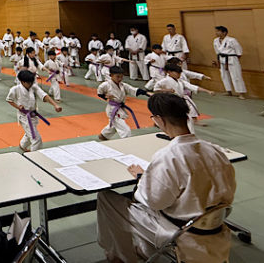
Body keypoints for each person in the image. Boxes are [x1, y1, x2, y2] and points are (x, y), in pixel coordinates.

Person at [97, 93, 236, 263]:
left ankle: (121, 257)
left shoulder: (169, 156)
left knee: (107, 199)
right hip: (213, 224)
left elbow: (154, 202)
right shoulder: (215, 151)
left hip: (179, 231)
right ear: (186, 117)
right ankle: (144, 249)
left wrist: (142, 178)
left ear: (158, 120)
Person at [6, 70, 62, 152]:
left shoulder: (33, 87)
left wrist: (55, 105)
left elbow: (44, 96)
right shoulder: (15, 89)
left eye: (31, 82)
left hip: (33, 115)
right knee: (36, 139)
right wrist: (18, 107)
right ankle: (33, 156)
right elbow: (9, 100)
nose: (30, 84)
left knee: (29, 133)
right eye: (28, 83)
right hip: (24, 117)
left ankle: (22, 145)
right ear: (22, 81)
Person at [155, 63, 214, 133]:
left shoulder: (180, 81)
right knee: (173, 119)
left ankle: (190, 133)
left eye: (180, 73)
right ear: (169, 72)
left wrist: (207, 91)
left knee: (187, 118)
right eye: (177, 73)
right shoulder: (164, 81)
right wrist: (167, 90)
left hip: (180, 101)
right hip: (171, 102)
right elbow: (156, 89)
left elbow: (192, 87)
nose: (179, 75)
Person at [96, 66, 149, 140]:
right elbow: (99, 93)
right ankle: (127, 140)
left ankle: (104, 135)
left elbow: (134, 90)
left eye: (121, 77)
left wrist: (147, 93)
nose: (120, 79)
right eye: (117, 77)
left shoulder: (123, 85)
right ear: (111, 75)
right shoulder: (105, 85)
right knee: (125, 129)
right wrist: (105, 96)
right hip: (113, 109)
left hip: (120, 107)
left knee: (114, 124)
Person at [213, 25, 246, 99]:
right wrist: (218, 61)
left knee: (236, 76)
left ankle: (241, 93)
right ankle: (228, 91)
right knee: (224, 76)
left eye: (218, 31)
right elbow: (217, 52)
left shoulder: (232, 40)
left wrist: (235, 59)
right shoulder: (215, 40)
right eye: (216, 31)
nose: (216, 33)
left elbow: (239, 51)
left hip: (232, 59)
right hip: (221, 60)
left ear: (224, 32)